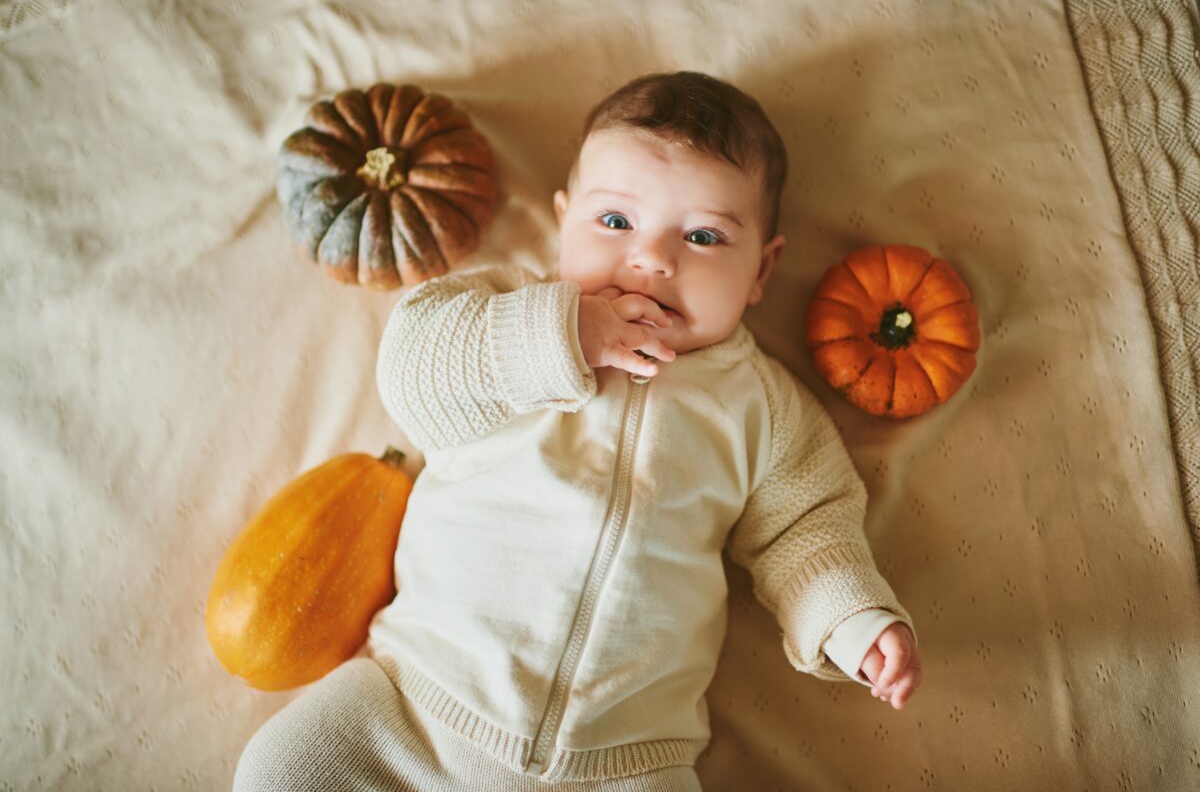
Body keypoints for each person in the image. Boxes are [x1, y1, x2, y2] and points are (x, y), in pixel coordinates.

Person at [234, 70, 922, 792]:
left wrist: (851, 620)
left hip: (627, 758)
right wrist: (558, 334)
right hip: (416, 702)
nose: (653, 258)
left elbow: (806, 529)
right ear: (565, 222)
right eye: (616, 222)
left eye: (703, 235)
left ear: (762, 269)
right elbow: (414, 374)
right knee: (282, 768)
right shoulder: (508, 309)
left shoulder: (763, 408)